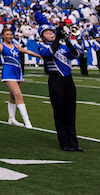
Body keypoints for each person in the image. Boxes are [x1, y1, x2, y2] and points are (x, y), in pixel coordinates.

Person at [21, 20, 81, 151]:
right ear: (43, 37)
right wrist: (58, 40)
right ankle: (64, 143)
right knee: (60, 113)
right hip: (55, 81)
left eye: (52, 32)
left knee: (70, 112)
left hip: (68, 81)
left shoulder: (63, 45)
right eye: (47, 33)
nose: (51, 34)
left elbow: (76, 54)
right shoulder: (41, 46)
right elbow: (49, 54)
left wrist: (68, 40)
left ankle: (74, 142)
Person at [0, 27, 33, 128]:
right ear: (3, 36)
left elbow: (26, 52)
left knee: (12, 96)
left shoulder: (15, 46)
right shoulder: (0, 45)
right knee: (18, 95)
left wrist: (39, 56)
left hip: (18, 72)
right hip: (8, 72)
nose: (9, 36)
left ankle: (12, 118)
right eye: (7, 34)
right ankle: (27, 121)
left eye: (10, 34)